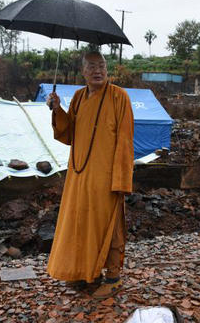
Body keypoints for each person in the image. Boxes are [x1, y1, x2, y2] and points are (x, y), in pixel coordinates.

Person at [46, 51, 134, 299]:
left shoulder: (119, 96)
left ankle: (113, 278)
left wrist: (121, 180)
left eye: (102, 66)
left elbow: (126, 139)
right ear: (83, 72)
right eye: (92, 67)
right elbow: (68, 134)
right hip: (79, 175)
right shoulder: (78, 97)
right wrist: (57, 109)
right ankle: (87, 273)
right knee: (81, 225)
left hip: (106, 177)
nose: (98, 71)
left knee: (109, 226)